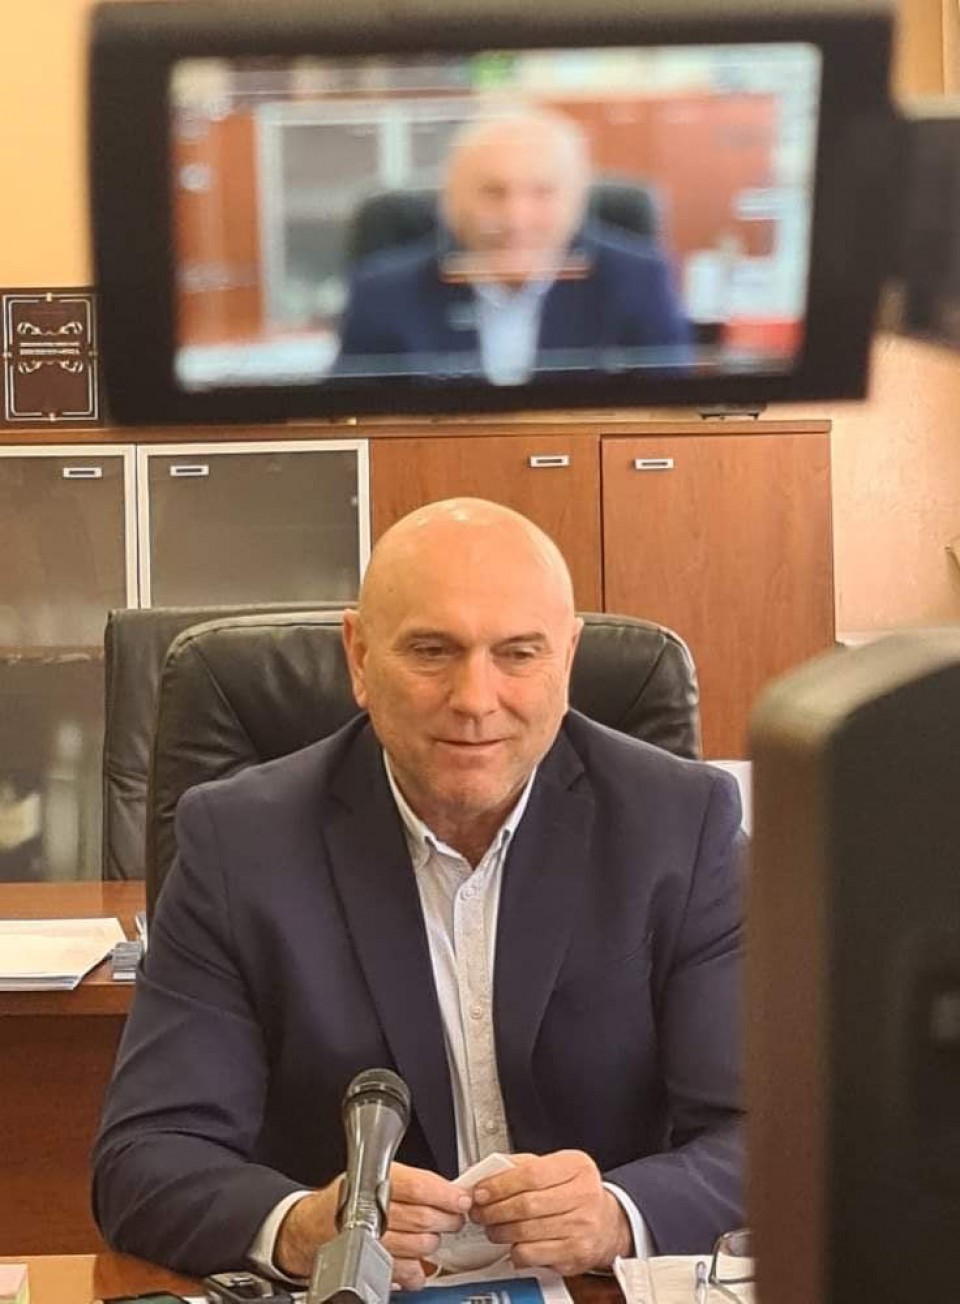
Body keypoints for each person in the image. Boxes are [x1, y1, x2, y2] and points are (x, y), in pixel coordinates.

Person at [92, 498, 744, 1284]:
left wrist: (617, 1213)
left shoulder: (681, 825)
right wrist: (300, 1225)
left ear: (566, 658)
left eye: (518, 654)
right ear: (359, 658)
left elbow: (771, 1138)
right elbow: (146, 1159)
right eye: (433, 651)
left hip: (595, 1286)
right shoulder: (239, 843)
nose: (475, 699)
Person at [336, 111, 692, 383]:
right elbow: (346, 424)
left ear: (576, 201)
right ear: (452, 200)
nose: (516, 218)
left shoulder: (639, 281)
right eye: (493, 192)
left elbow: (672, 418)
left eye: (542, 192)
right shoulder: (382, 293)